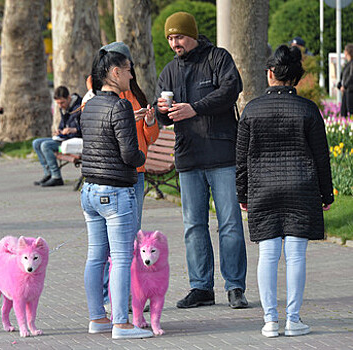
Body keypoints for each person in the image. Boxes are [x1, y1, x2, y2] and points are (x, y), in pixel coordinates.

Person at [236, 45, 334, 338]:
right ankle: (293, 319)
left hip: (263, 189)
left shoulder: (251, 109)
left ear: (270, 74)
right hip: (301, 188)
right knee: (296, 255)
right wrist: (326, 195)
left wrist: (243, 194)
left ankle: (269, 320)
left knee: (267, 254)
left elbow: (240, 159)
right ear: (296, 78)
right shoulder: (308, 110)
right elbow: (321, 157)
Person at [155, 11, 248, 309]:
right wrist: (159, 110)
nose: (174, 43)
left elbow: (231, 90)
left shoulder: (218, 58)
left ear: (192, 34)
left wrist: (195, 108)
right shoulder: (168, 71)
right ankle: (201, 288)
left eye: (179, 37)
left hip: (222, 154)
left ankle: (235, 286)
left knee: (230, 223)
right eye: (170, 38)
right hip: (188, 156)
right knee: (193, 225)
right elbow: (163, 117)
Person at [80, 42, 153, 340]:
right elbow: (128, 153)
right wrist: (142, 158)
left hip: (89, 190)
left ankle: (98, 317)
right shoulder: (121, 105)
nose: (131, 76)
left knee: (96, 256)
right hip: (116, 190)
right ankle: (121, 323)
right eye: (127, 70)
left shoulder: (91, 103)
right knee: (122, 257)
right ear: (114, 72)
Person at [32, 86, 82, 187]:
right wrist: (59, 131)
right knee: (36, 143)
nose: (60, 106)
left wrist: (75, 130)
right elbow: (63, 125)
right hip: (64, 139)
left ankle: (56, 177)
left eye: (62, 102)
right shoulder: (64, 108)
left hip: (73, 143)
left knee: (46, 146)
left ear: (69, 98)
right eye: (58, 103)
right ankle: (48, 174)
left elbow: (86, 128)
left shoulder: (80, 108)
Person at [337, 43, 353, 116]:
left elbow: (351, 76)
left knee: (350, 110)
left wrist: (345, 85)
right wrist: (340, 84)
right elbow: (343, 76)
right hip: (346, 91)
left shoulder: (352, 63)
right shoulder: (347, 64)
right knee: (343, 111)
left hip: (350, 90)